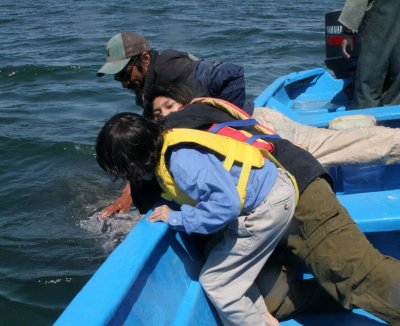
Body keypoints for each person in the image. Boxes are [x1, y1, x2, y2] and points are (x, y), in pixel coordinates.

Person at [143, 85, 400, 324]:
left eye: (170, 105)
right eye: (158, 113)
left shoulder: (185, 124)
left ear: (186, 102)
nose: (167, 115)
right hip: (269, 211)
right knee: (269, 300)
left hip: (300, 190)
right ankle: (337, 296)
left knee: (357, 275)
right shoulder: (196, 121)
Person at [96, 112, 297, 326]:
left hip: (268, 205)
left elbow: (226, 205)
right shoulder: (169, 143)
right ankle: (264, 320)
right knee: (218, 260)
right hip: (269, 195)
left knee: (216, 284)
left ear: (135, 161)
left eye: (127, 171)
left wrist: (176, 218)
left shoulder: (181, 161)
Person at [96, 31, 253, 219]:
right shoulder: (145, 85)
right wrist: (126, 195)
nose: (124, 83)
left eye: (125, 74)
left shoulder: (172, 69)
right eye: (118, 77)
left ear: (145, 58)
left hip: (241, 127)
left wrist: (223, 129)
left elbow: (231, 75)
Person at [339, 0, 400, 108]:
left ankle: (366, 112)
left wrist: (347, 31)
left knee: (369, 76)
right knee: (396, 76)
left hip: (378, 24)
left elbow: (356, 2)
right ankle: (392, 114)